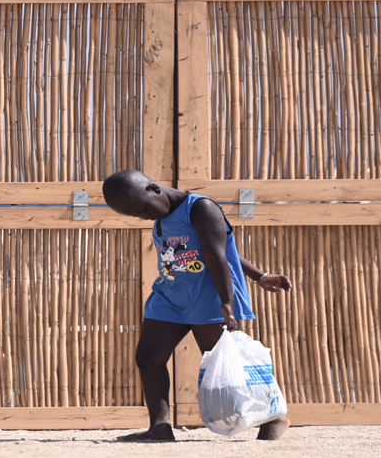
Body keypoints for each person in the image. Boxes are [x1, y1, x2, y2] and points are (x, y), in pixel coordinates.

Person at [102, 169, 292, 441]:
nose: (144, 216)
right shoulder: (160, 216)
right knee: (148, 357)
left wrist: (227, 300)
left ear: (153, 189)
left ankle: (274, 417)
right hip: (169, 296)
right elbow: (216, 248)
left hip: (207, 297)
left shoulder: (200, 208)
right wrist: (259, 275)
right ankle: (159, 427)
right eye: (137, 215)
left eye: (143, 208)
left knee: (226, 364)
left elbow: (218, 253)